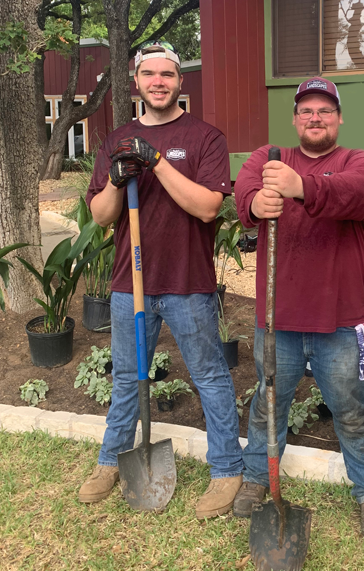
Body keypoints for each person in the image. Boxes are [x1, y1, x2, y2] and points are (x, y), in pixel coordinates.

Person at [79, 41, 244, 519]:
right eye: (148, 74)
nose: (158, 82)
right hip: (130, 284)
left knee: (209, 377)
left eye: (166, 74)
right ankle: (110, 461)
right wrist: (115, 178)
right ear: (137, 82)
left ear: (179, 81)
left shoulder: (205, 137)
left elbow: (209, 206)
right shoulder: (117, 138)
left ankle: (227, 470)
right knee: (128, 379)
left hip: (188, 281)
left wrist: (156, 162)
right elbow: (100, 217)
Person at [233, 77, 364, 539]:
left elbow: (354, 196)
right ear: (295, 119)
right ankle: (259, 478)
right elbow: (244, 197)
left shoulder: (358, 162)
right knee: (268, 404)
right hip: (276, 318)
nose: (315, 118)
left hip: (340, 320)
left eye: (325, 110)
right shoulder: (268, 158)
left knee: (354, 407)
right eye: (306, 111)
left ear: (339, 118)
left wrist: (299, 185)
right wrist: (257, 202)